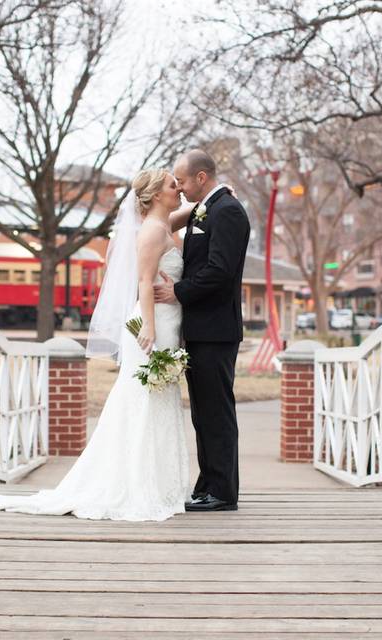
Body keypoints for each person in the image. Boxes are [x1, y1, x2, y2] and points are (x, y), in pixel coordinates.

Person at [0, 168, 191, 521]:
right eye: (172, 185)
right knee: (143, 403)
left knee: (156, 402)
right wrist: (149, 327)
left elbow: (180, 215)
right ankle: (137, 484)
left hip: (168, 321)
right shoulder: (153, 232)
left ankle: (158, 483)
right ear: (154, 195)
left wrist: (204, 204)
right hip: (153, 325)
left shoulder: (160, 224)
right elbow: (143, 281)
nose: (179, 189)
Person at [155, 149, 251, 512]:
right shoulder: (204, 208)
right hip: (200, 329)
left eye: (181, 180)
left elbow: (220, 271)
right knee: (202, 414)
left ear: (200, 177)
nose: (177, 186)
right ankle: (208, 484)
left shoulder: (226, 211)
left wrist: (177, 291)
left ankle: (223, 491)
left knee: (216, 413)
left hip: (216, 330)